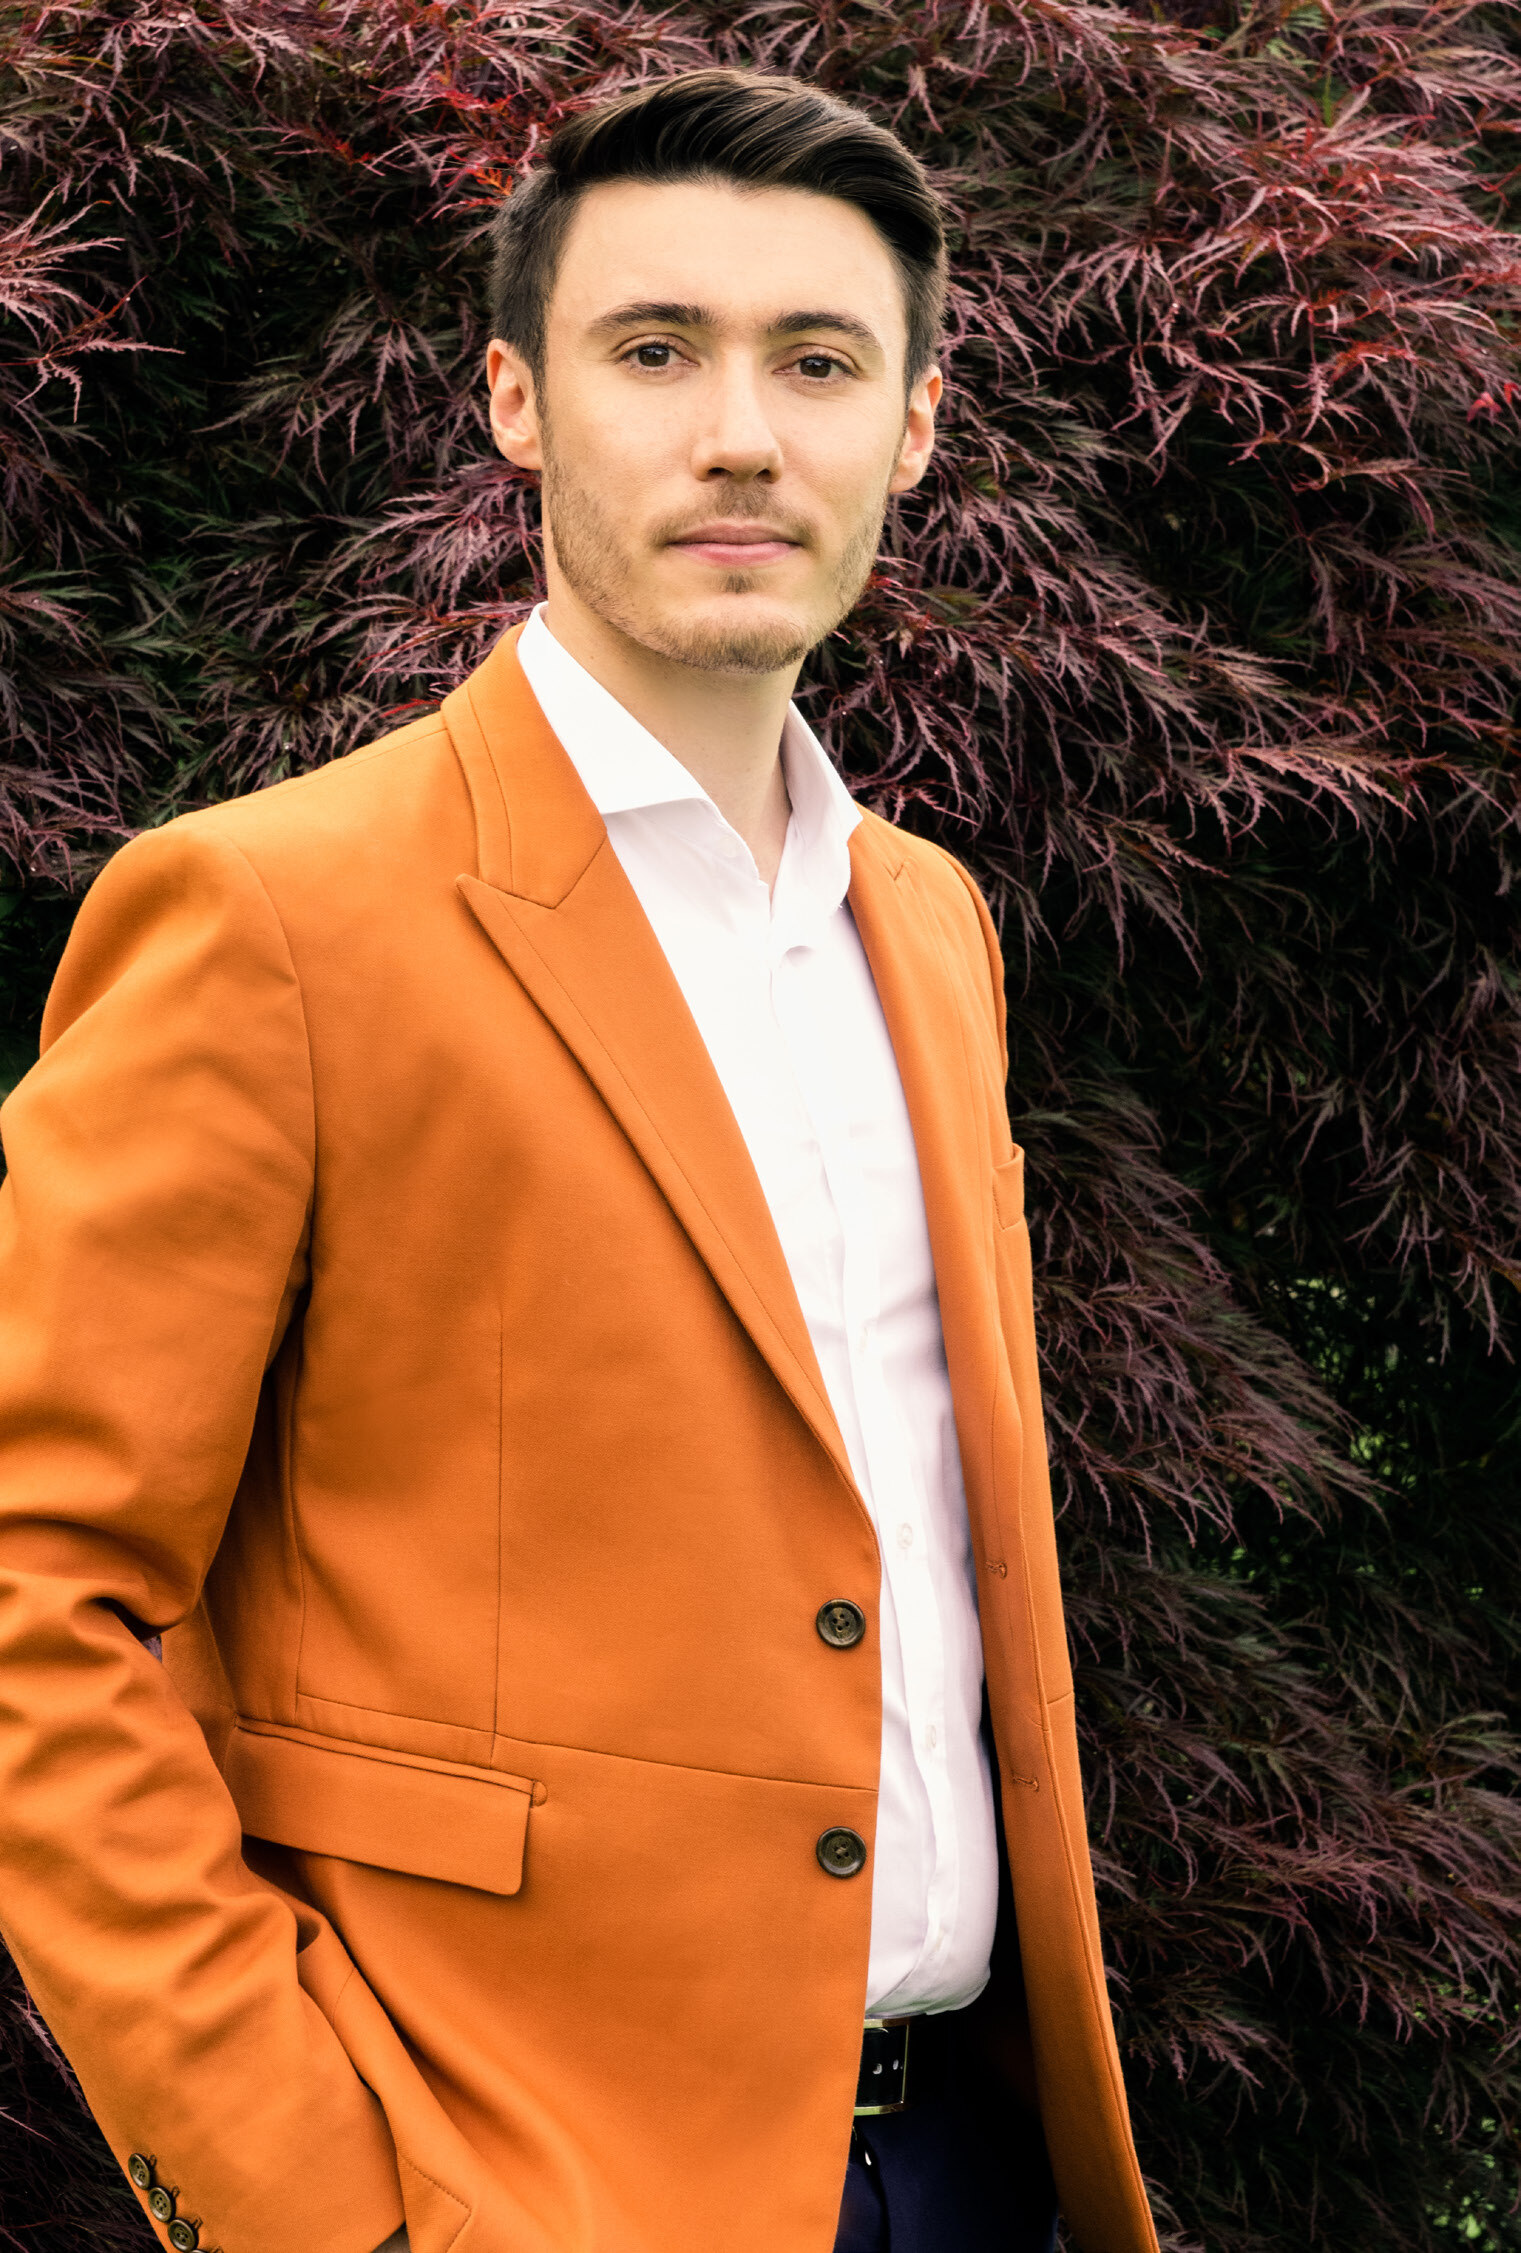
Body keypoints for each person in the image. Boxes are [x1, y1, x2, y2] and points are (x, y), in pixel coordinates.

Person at [0, 68, 1160, 2253]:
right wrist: (302, 2201)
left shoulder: (927, 921)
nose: (742, 430)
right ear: (519, 403)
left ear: (912, 428)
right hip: (520, 2180)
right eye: (655, 350)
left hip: (979, 2160)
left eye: (817, 361)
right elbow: (36, 1604)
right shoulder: (268, 915)